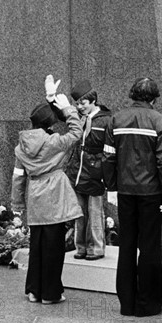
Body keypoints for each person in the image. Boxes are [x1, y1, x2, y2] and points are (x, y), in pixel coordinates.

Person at [102, 77, 162, 317]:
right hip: (150, 193)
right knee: (149, 247)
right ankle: (149, 304)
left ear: (132, 94)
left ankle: (127, 303)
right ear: (155, 98)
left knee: (126, 247)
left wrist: (111, 187)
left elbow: (108, 157)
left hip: (124, 191)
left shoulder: (116, 119)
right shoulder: (160, 121)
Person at [11, 87, 83, 304]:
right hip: (54, 195)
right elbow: (77, 132)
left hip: (34, 196)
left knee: (37, 245)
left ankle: (34, 290)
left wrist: (17, 204)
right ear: (50, 124)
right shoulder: (53, 142)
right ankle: (50, 293)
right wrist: (68, 109)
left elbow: (18, 177)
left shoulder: (21, 147)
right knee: (54, 247)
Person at [65, 80, 112, 261]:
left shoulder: (106, 120)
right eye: (77, 103)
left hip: (95, 171)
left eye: (83, 103)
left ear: (93, 101)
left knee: (95, 212)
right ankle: (81, 247)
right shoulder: (78, 118)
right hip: (78, 170)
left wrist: (105, 172)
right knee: (79, 213)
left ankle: (96, 248)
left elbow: (109, 148)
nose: (80, 107)